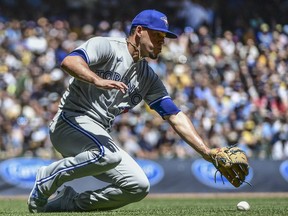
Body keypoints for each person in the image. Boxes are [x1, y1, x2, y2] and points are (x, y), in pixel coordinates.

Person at [27, 9, 212, 213]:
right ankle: (47, 177)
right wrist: (97, 79)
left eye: (164, 37)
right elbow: (69, 61)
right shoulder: (107, 46)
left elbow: (174, 115)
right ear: (139, 31)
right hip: (70, 122)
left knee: (138, 186)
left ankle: (67, 202)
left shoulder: (147, 77)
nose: (162, 42)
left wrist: (206, 151)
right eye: (157, 35)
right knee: (108, 155)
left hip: (97, 135)